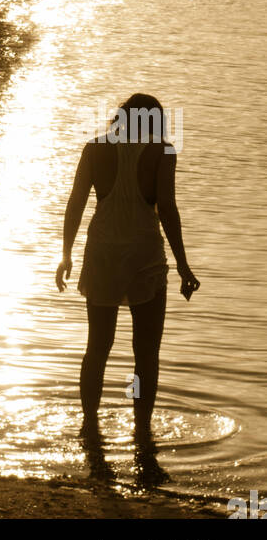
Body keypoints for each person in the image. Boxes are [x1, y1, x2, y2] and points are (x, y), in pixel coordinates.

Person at [56, 92, 199, 446]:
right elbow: (167, 208)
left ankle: (89, 424)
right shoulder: (162, 152)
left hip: (102, 250)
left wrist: (66, 253)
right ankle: (141, 429)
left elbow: (75, 202)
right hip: (144, 255)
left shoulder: (94, 149)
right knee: (146, 352)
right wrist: (182, 265)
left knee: (97, 347)